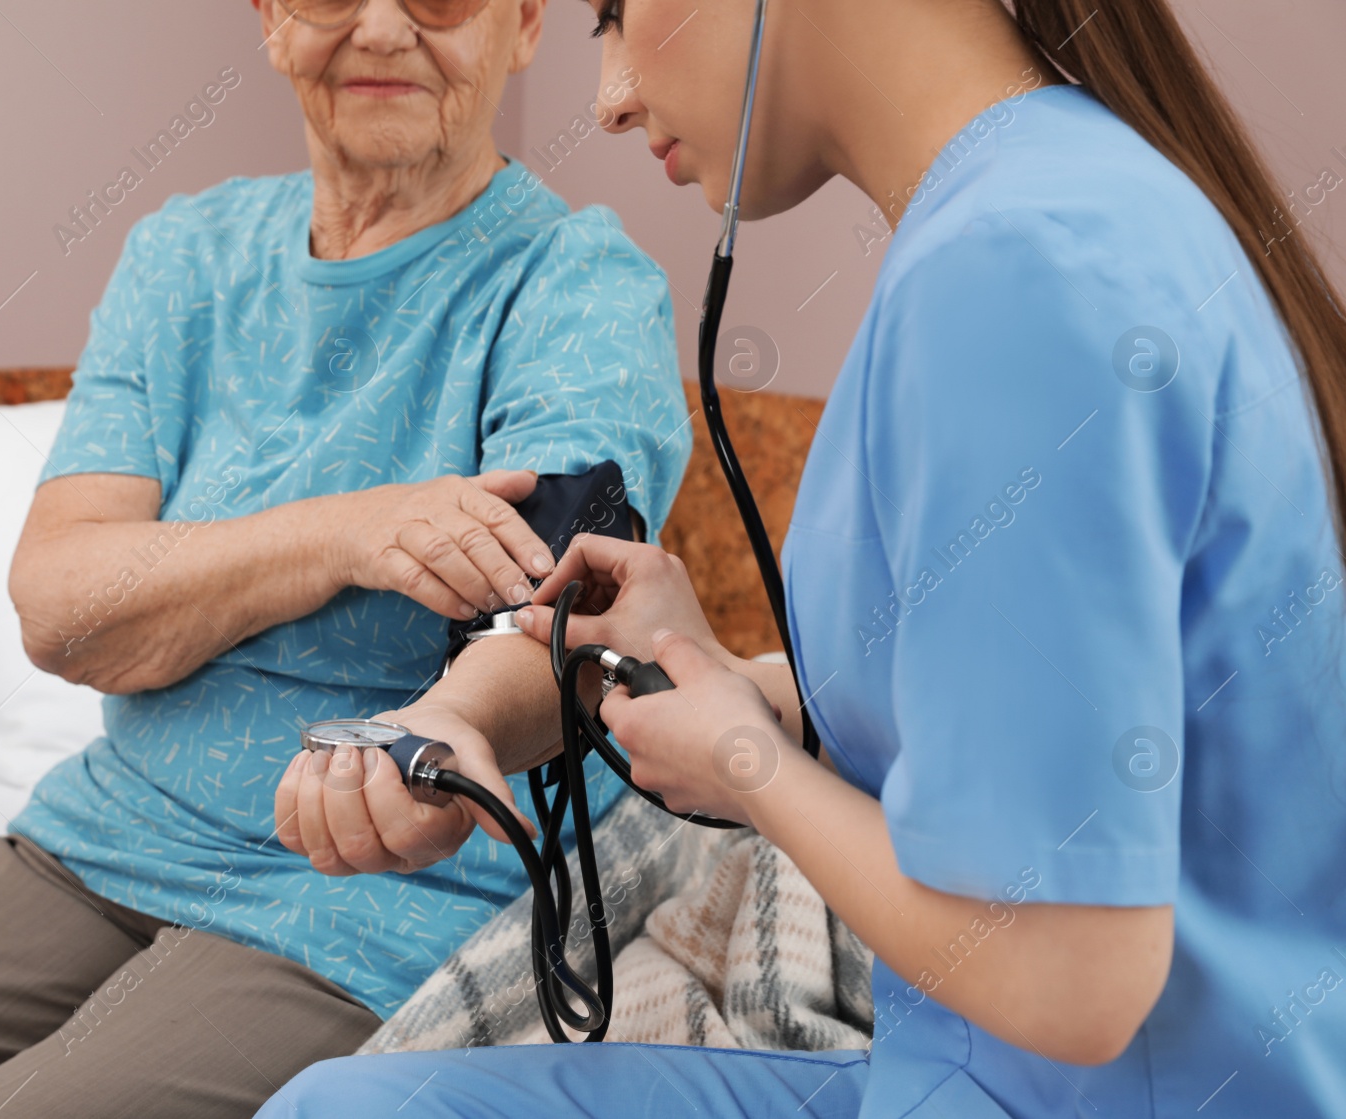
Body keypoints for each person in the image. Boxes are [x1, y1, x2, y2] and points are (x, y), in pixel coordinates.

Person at [263, 0, 1346, 1115]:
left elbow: (1073, 979)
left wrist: (750, 768)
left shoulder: (1017, 273)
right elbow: (1048, 724)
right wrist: (728, 678)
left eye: (617, 13)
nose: (611, 94)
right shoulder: (1059, 202)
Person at [0, 1, 692, 1115]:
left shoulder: (574, 285)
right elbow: (61, 609)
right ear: (271, 20)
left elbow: (551, 621)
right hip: (112, 830)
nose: (381, 30)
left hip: (385, 875)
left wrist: (450, 727)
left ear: (524, 25)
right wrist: (350, 531)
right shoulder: (183, 258)